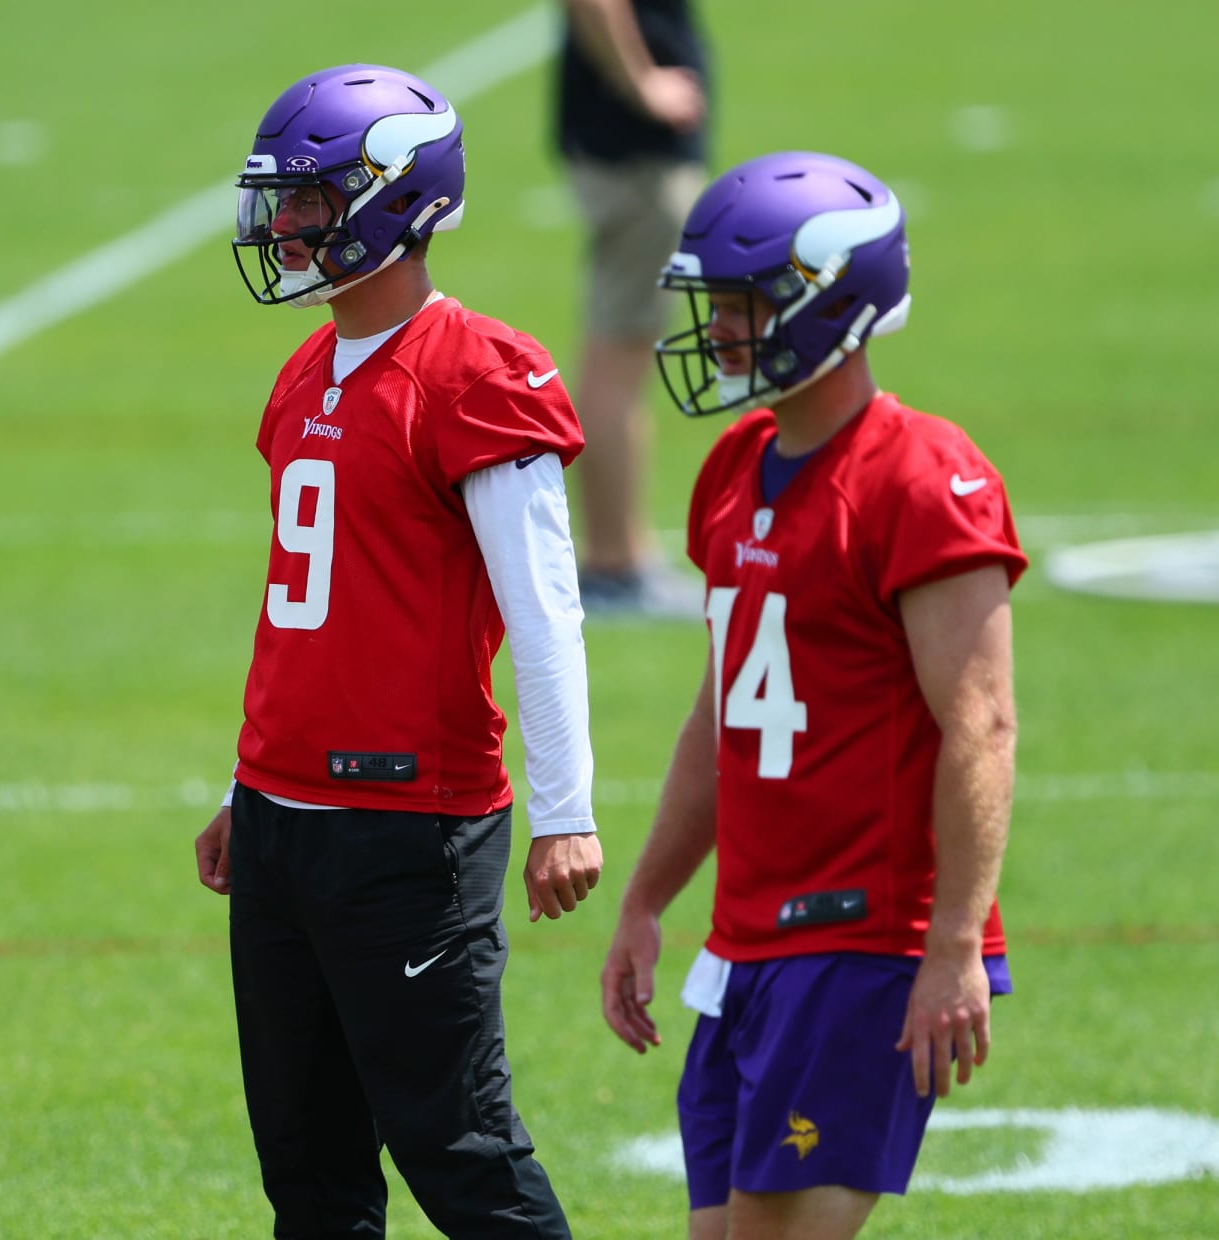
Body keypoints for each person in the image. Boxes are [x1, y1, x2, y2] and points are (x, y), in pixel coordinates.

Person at [196, 64, 605, 1238]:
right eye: (280, 203)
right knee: (309, 1175)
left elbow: (545, 607)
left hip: (406, 823)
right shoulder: (301, 375)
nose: (282, 228)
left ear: (394, 200)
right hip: (284, 820)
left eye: (309, 203)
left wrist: (565, 807)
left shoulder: (478, 372)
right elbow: (300, 610)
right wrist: (247, 782)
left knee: (462, 1154)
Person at [599, 151, 1025, 1239]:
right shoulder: (735, 465)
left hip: (863, 945)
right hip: (746, 949)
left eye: (745, 304)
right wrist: (649, 898)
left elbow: (979, 723)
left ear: (835, 300)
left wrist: (953, 949)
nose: (722, 330)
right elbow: (720, 718)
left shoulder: (924, 476)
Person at [555, 0, 711, 618]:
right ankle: (615, 563)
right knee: (619, 356)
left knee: (624, 354)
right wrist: (640, 80)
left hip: (625, 142)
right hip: (635, 148)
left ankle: (625, 553)